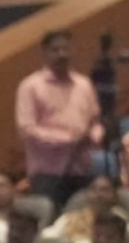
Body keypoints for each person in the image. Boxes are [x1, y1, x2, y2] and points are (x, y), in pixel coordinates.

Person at [12, 31, 99, 193]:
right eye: (55, 50)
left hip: (82, 169)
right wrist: (68, 140)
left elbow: (95, 121)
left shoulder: (84, 84)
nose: (62, 54)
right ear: (44, 53)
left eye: (66, 49)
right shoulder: (30, 86)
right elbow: (27, 130)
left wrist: (93, 137)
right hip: (47, 173)